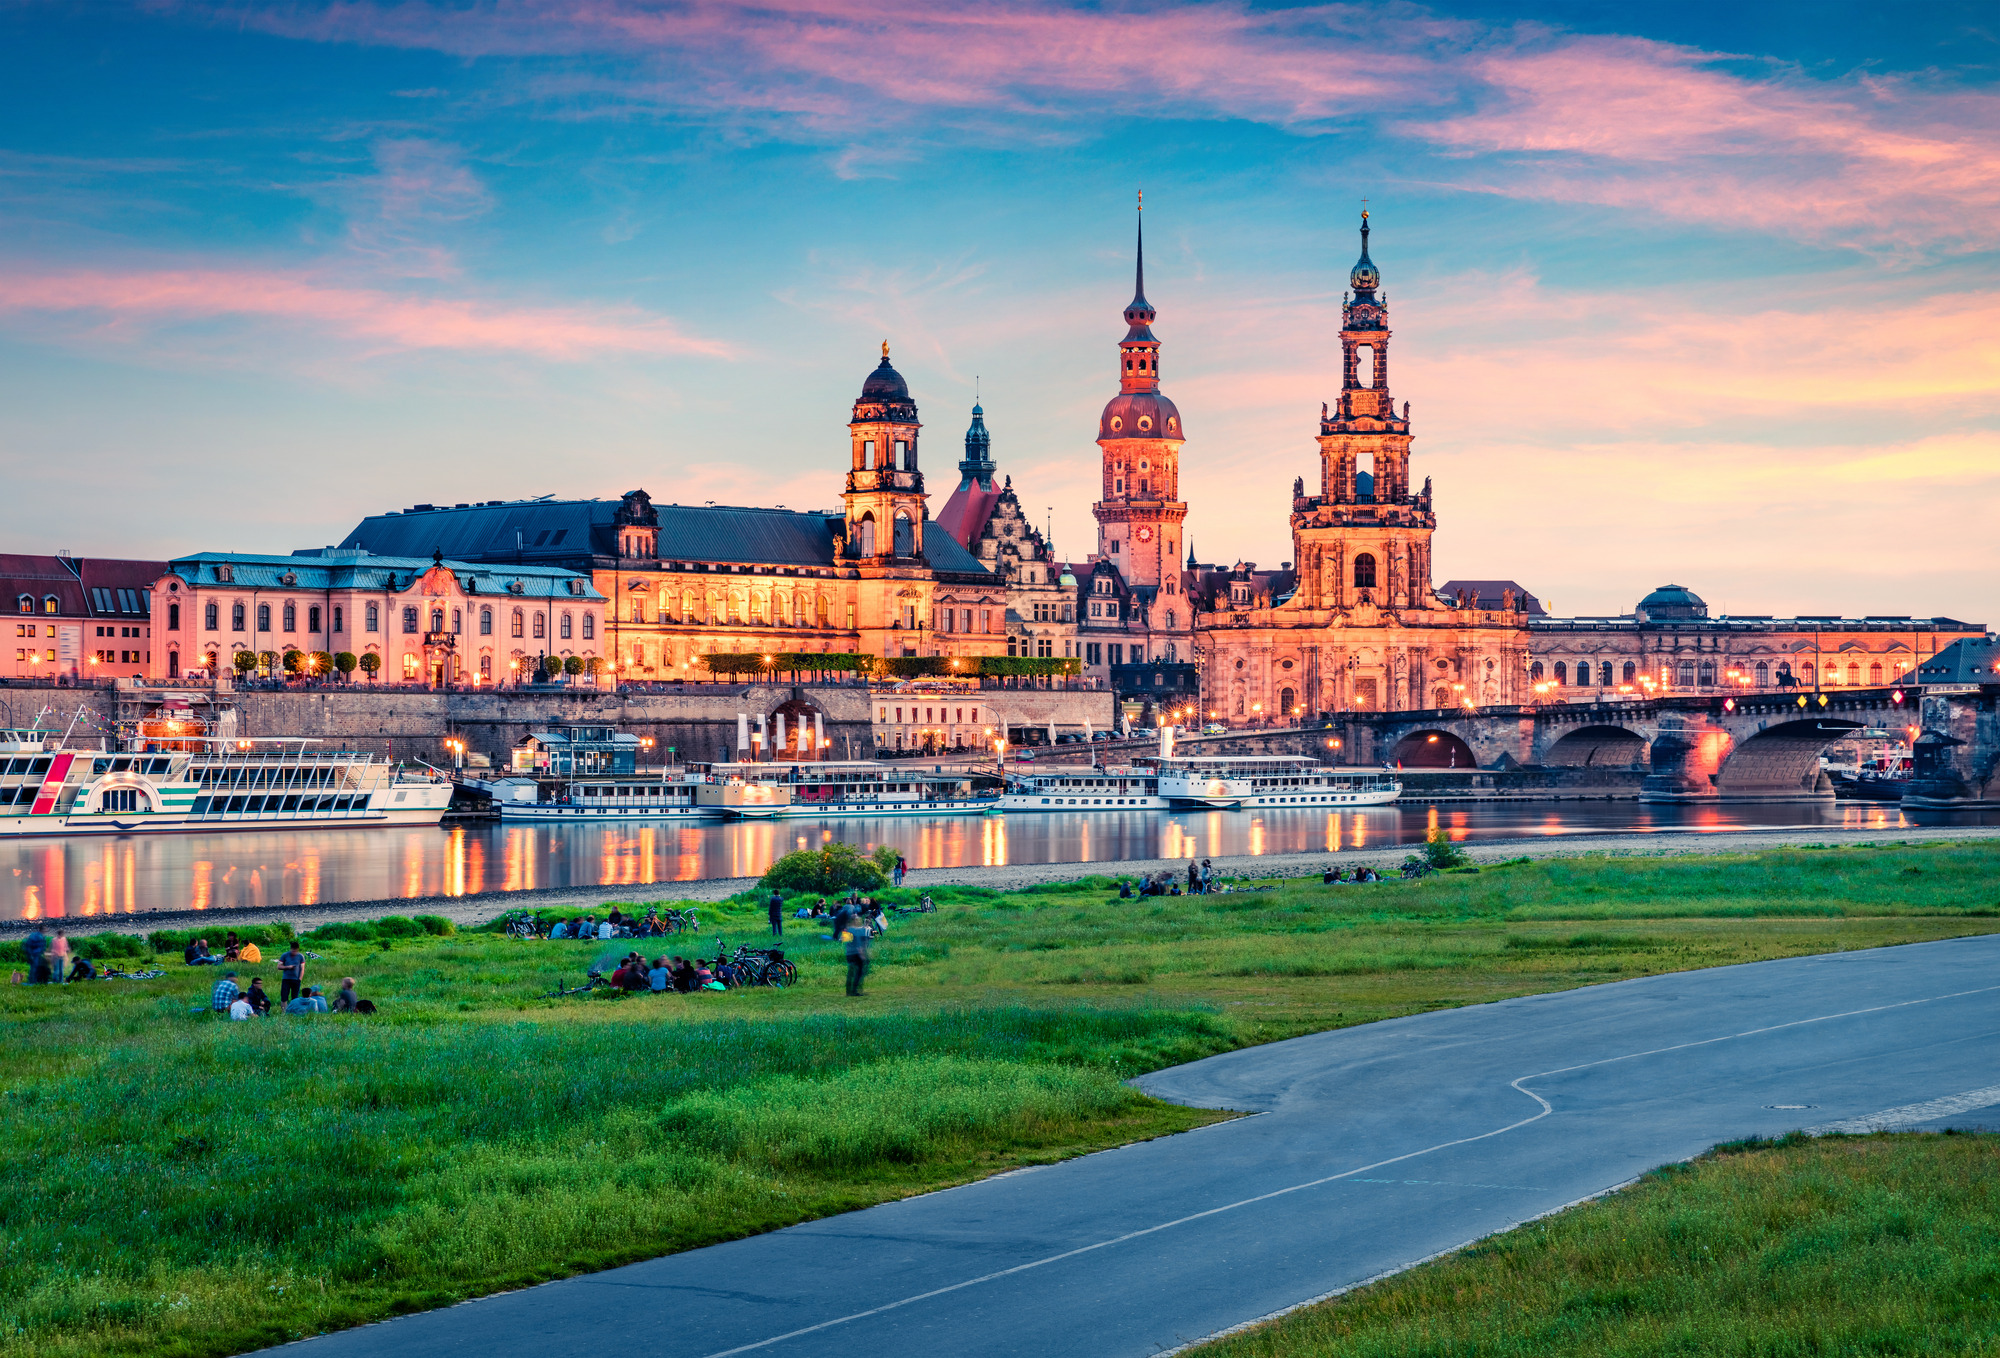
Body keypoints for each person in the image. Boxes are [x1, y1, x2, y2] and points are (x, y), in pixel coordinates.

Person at [842, 910, 873, 997]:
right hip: (856, 954)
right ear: (855, 921)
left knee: (851, 972)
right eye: (858, 919)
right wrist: (862, 955)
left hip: (849, 953)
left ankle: (849, 991)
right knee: (859, 972)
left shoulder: (847, 929)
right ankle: (855, 991)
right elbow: (859, 944)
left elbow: (845, 942)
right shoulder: (857, 931)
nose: (859, 921)